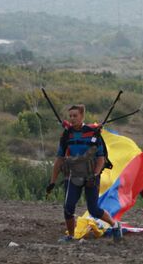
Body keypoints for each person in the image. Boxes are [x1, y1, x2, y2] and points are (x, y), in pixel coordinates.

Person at [47, 104, 122, 242]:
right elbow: (59, 159)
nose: (72, 118)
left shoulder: (92, 134)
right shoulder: (67, 135)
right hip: (73, 176)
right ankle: (71, 236)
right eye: (70, 116)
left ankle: (115, 225)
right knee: (68, 207)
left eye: (75, 116)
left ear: (82, 116)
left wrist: (95, 175)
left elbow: (101, 158)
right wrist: (52, 181)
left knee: (93, 209)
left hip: (91, 176)